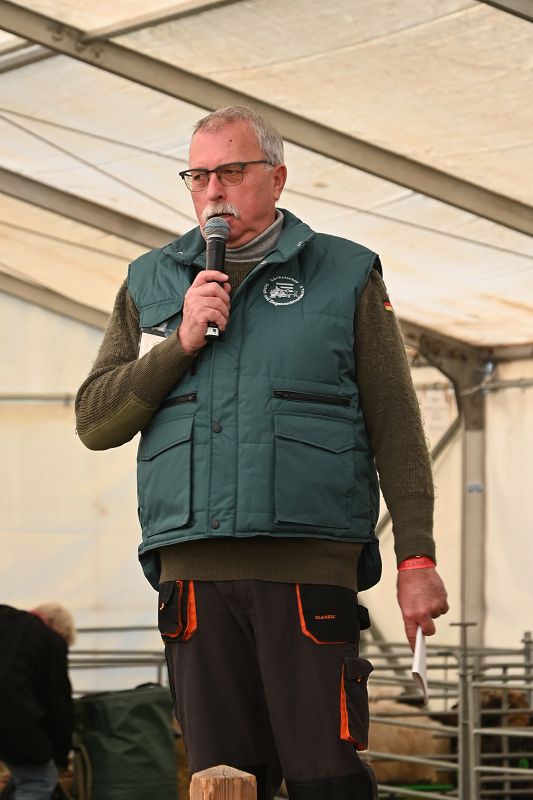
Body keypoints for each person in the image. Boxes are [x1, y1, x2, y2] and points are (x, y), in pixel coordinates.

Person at [75, 105, 448, 799]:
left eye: (231, 171)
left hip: (308, 572)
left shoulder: (344, 272)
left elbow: (396, 423)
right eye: (198, 176)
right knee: (222, 782)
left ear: (276, 178)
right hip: (193, 580)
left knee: (327, 780)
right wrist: (181, 342)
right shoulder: (150, 281)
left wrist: (416, 559)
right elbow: (96, 422)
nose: (212, 190)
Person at [0, 603, 75, 800]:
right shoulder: (49, 639)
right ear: (56, 628)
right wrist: (60, 757)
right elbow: (58, 706)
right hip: (10, 712)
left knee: (23, 773)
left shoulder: (5, 618)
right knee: (38, 779)